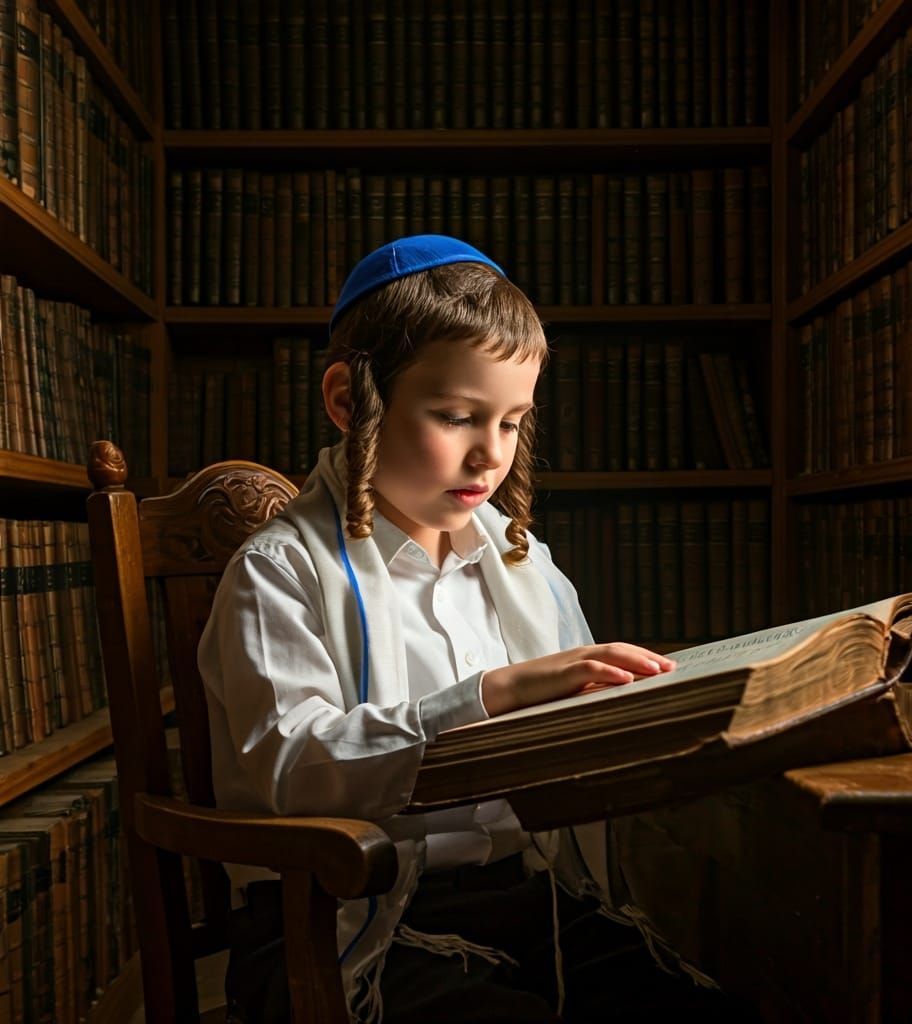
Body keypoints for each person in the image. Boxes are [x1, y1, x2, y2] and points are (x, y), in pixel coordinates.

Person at [199, 235, 738, 1023]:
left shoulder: (521, 561)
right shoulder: (280, 571)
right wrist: (490, 694)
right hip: (337, 919)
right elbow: (295, 767)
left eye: (513, 422)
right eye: (456, 417)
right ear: (349, 401)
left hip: (524, 900)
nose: (490, 455)